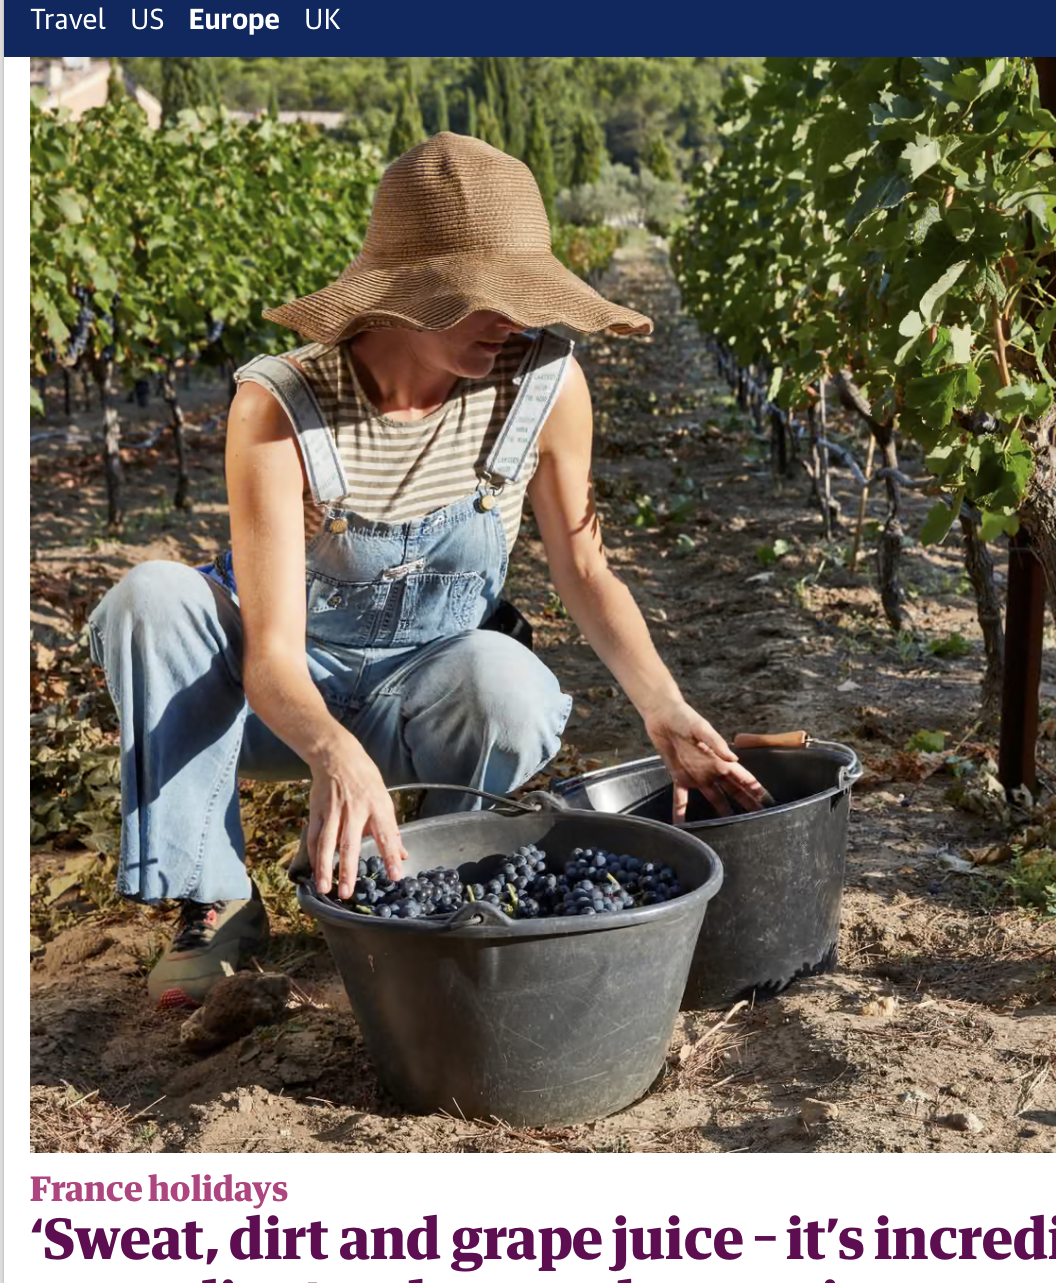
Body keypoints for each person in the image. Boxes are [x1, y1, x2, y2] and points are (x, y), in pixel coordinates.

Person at [88, 133, 766, 1008]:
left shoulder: (545, 384)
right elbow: (272, 656)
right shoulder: (282, 404)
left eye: (526, 297)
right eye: (492, 298)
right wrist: (330, 750)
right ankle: (213, 893)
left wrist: (664, 708)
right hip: (263, 701)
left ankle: (415, 878)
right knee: (151, 599)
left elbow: (586, 567)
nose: (516, 321)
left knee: (507, 683)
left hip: (422, 701)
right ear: (411, 292)